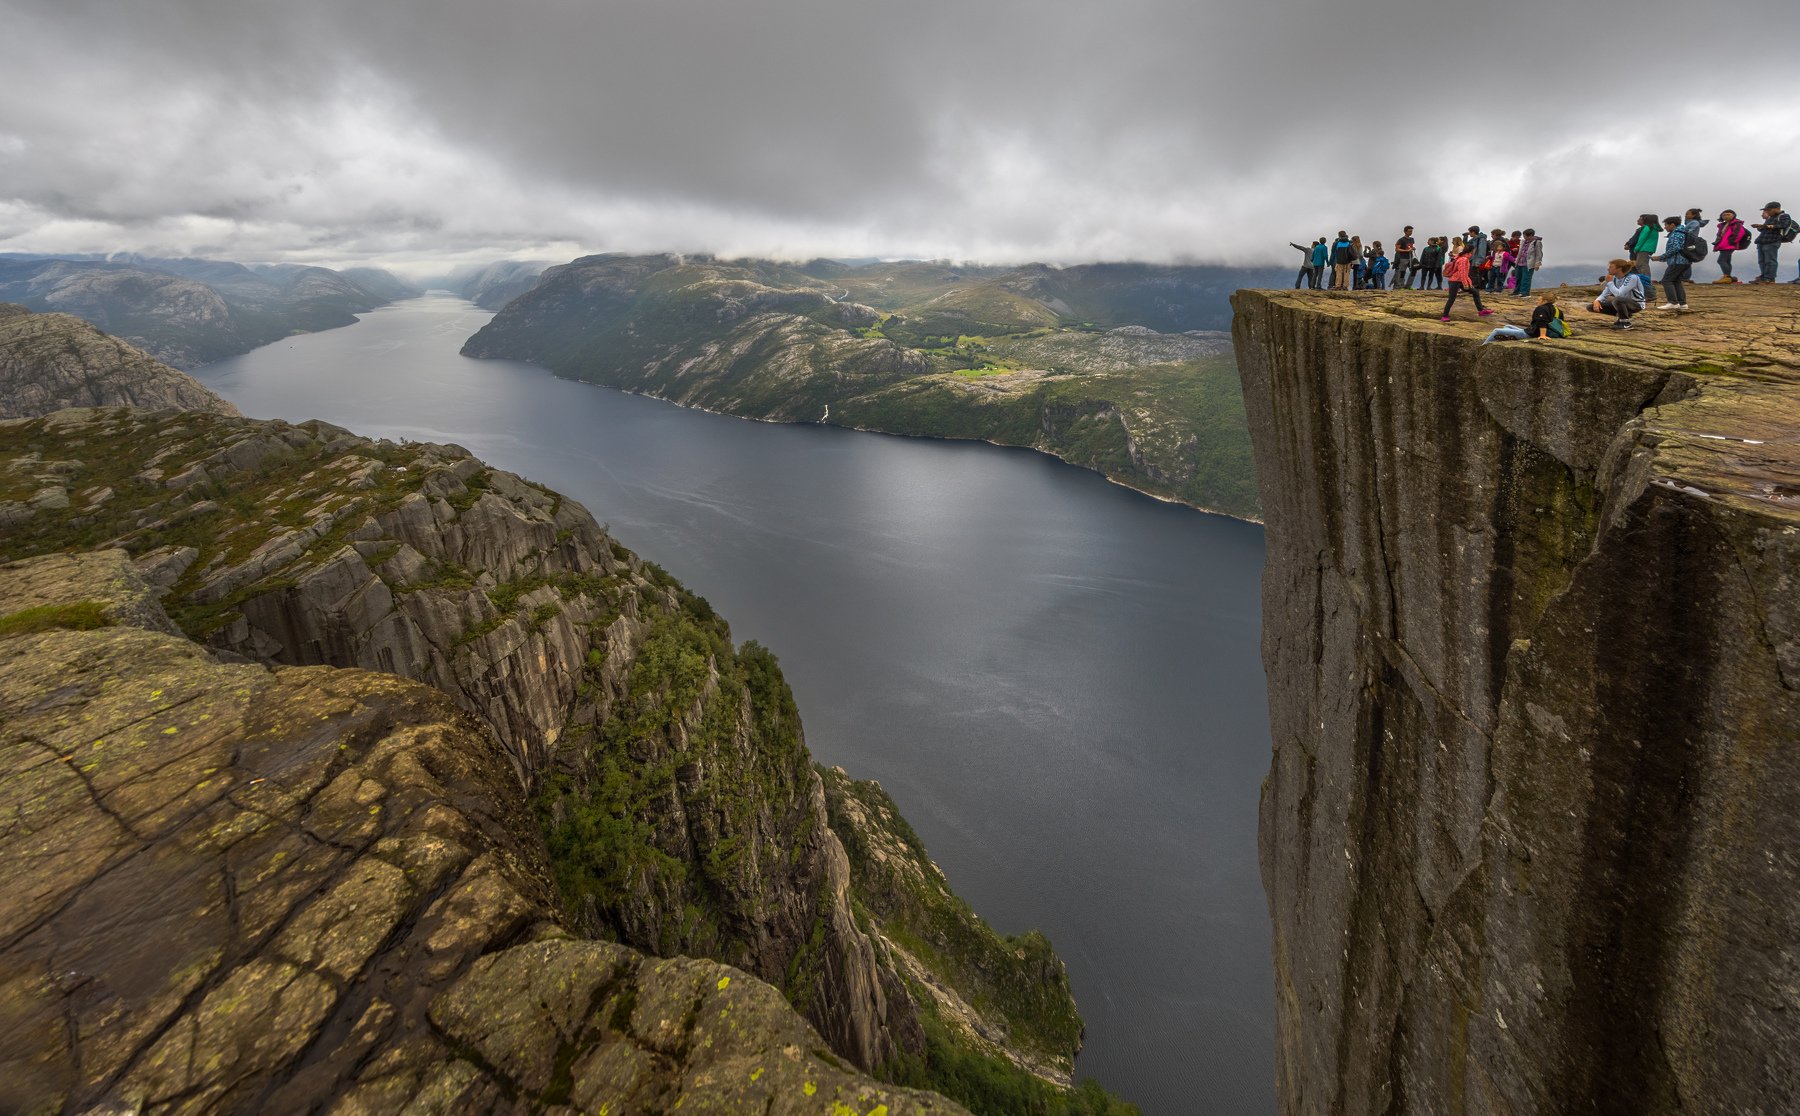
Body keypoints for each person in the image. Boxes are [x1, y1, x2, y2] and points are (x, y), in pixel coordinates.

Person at [1652, 214, 1696, 311]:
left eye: (1666, 225)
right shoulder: (1683, 232)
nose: (1665, 227)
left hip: (1677, 261)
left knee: (1666, 280)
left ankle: (1673, 302)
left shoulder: (1676, 234)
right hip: (1685, 261)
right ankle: (1682, 303)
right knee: (1676, 281)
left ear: (1672, 225)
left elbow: (1676, 248)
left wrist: (1661, 257)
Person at [1483, 291, 1564, 343]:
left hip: (1531, 334)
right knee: (1507, 326)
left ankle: (1482, 347)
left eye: (1539, 300)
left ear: (1545, 301)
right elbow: (1560, 322)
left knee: (1496, 330)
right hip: (1537, 332)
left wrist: (1542, 335)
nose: (1537, 301)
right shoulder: (1558, 310)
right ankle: (1508, 338)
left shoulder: (1541, 308)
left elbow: (1542, 322)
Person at [1440, 244, 1494, 321]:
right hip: (1455, 281)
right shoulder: (1463, 259)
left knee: (1475, 292)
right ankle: (1444, 316)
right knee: (1451, 298)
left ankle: (1481, 311)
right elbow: (1462, 273)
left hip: (1460, 280)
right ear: (1471, 251)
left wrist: (1469, 284)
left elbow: (1465, 274)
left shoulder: (1464, 258)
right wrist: (1465, 284)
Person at [1590, 258, 1647, 329]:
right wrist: (1597, 301)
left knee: (1617, 299)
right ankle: (1624, 315)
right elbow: (1605, 293)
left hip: (1637, 304)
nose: (1608, 269)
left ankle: (1625, 322)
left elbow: (1619, 294)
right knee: (1591, 307)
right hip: (1623, 303)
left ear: (1619, 269)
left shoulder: (1632, 278)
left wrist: (1610, 282)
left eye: (1611, 267)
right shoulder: (1614, 279)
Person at [1750, 202, 1795, 284]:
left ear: (1777, 208)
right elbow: (1765, 228)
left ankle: (1770, 278)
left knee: (1770, 260)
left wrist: (1769, 226)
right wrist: (1761, 227)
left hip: (1773, 240)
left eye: (1769, 210)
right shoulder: (1770, 218)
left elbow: (1784, 225)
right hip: (1762, 240)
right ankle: (1763, 276)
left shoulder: (1784, 216)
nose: (1767, 212)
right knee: (1762, 260)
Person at [1628, 214, 1660, 301]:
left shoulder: (1647, 228)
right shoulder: (1654, 228)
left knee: (1642, 267)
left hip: (1643, 249)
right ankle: (1646, 289)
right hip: (1649, 249)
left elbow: (1641, 239)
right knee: (1642, 267)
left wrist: (1636, 249)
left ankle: (1648, 291)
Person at [1712, 209, 1749, 283]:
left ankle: (1727, 276)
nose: (1726, 216)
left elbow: (1739, 233)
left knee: (1721, 260)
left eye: (1728, 214)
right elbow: (1719, 236)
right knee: (1727, 261)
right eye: (1724, 215)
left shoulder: (1736, 224)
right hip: (1723, 245)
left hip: (1728, 245)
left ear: (1733, 215)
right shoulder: (1723, 225)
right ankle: (1728, 277)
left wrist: (1731, 242)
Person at [1514, 229, 1543, 296]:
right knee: (1518, 278)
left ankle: (1525, 293)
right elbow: (1520, 252)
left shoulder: (1537, 242)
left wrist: (1537, 264)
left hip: (1528, 264)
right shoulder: (1523, 242)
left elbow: (1539, 254)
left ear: (1530, 236)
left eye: (1525, 236)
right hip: (1519, 262)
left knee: (1526, 278)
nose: (1524, 237)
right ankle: (1517, 291)